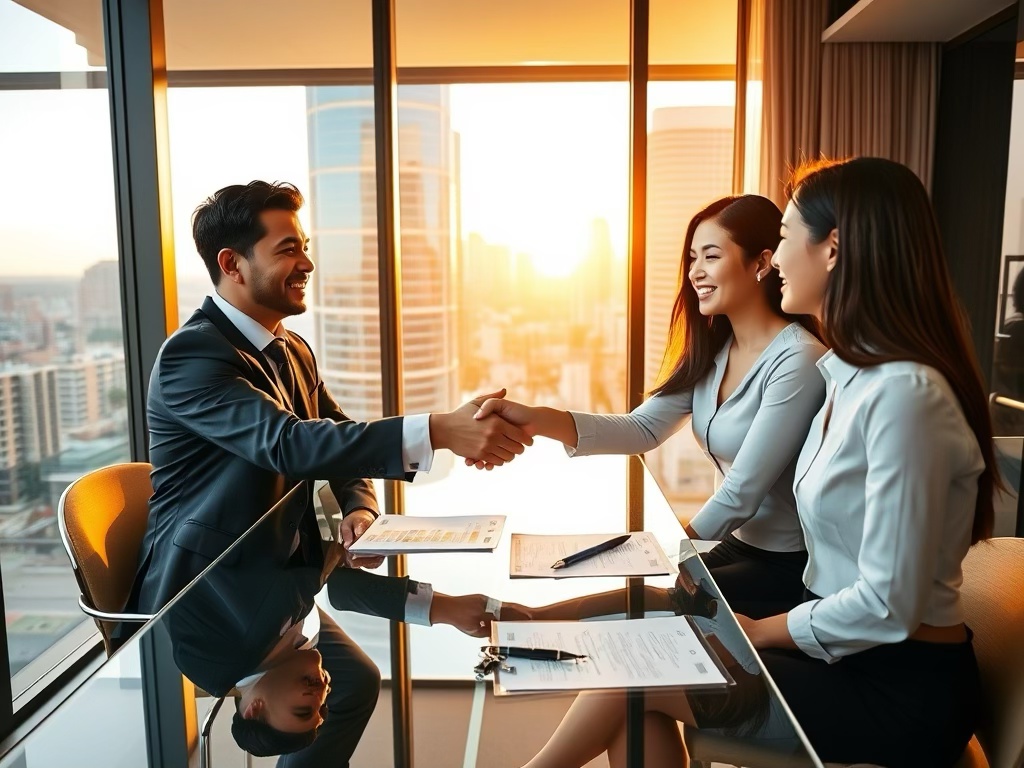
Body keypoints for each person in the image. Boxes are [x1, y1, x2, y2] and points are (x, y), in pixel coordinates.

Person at [126, 180, 532, 767]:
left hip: (264, 573)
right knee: (359, 680)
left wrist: (360, 507)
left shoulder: (289, 348)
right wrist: (440, 430)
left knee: (358, 682)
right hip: (215, 581)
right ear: (231, 264)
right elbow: (288, 444)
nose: (307, 262)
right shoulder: (191, 357)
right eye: (288, 249)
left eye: (304, 245)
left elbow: (333, 433)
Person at [474, 194, 826, 619]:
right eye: (692, 257)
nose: (696, 271)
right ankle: (527, 620)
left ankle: (529, 621)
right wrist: (536, 419)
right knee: (636, 593)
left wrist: (659, 552)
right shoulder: (716, 351)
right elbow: (641, 429)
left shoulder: (798, 359)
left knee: (651, 602)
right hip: (737, 545)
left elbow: (741, 494)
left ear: (761, 262)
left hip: (788, 566)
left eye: (711, 256)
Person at [163, 481, 527, 758]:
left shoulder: (224, 646)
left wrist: (337, 553)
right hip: (287, 613)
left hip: (228, 533)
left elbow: (312, 576)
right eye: (322, 708)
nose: (322, 694)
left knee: (355, 677)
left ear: (255, 707)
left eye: (305, 708)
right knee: (361, 679)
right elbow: (330, 586)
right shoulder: (282, 651)